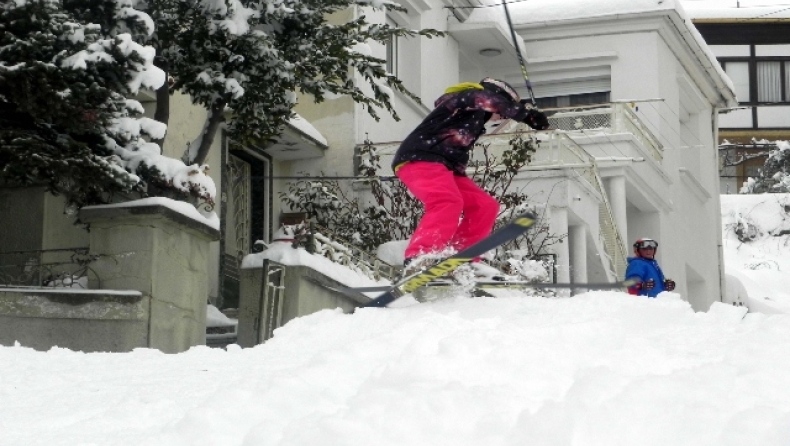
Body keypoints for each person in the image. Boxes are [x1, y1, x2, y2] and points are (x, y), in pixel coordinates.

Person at [391, 78, 549, 276]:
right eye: (500, 112)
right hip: (420, 159)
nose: (499, 117)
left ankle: (462, 256)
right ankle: (420, 256)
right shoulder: (466, 97)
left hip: (446, 168)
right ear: (496, 96)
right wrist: (526, 114)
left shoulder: (472, 117)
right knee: (447, 201)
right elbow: (485, 99)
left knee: (484, 205)